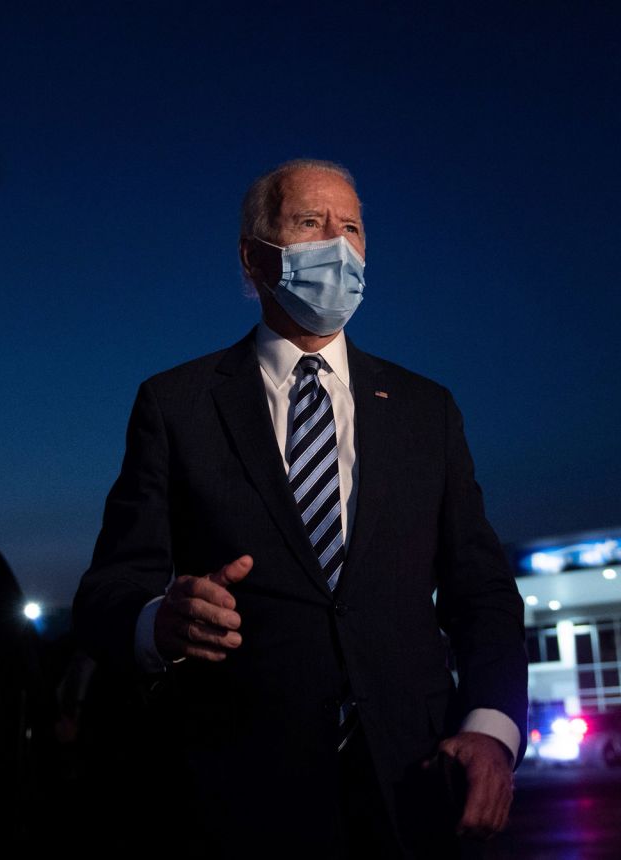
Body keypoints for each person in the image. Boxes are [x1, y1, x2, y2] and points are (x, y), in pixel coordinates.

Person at [73, 159, 528, 858]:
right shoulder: (177, 405)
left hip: (414, 787)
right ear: (255, 257)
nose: (338, 244)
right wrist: (158, 622)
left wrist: (493, 729)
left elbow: (482, 591)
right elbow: (108, 592)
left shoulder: (424, 410)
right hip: (238, 796)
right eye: (311, 223)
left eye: (352, 227)